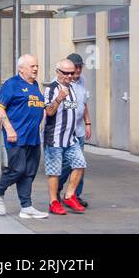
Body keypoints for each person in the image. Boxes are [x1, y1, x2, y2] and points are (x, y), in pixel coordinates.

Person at [0, 54, 48, 219]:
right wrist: (9, 129)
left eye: (37, 66)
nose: (36, 69)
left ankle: (26, 207)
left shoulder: (35, 85)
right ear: (21, 69)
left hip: (33, 138)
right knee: (18, 169)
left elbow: (39, 108)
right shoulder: (12, 84)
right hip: (16, 137)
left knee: (29, 172)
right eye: (32, 66)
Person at [41, 58, 86, 215]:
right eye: (65, 73)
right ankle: (53, 202)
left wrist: (87, 123)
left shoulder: (72, 87)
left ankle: (69, 196)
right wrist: (59, 98)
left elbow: (75, 110)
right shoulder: (51, 89)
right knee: (55, 172)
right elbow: (49, 112)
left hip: (71, 138)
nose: (68, 76)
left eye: (71, 73)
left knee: (80, 164)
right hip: (54, 139)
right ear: (57, 72)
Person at [57, 52, 91, 207]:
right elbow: (59, 107)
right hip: (64, 132)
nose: (77, 71)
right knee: (66, 164)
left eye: (79, 67)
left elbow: (83, 104)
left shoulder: (82, 81)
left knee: (80, 164)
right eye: (75, 68)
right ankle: (56, 188)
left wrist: (88, 123)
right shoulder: (58, 83)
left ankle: (75, 195)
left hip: (79, 131)